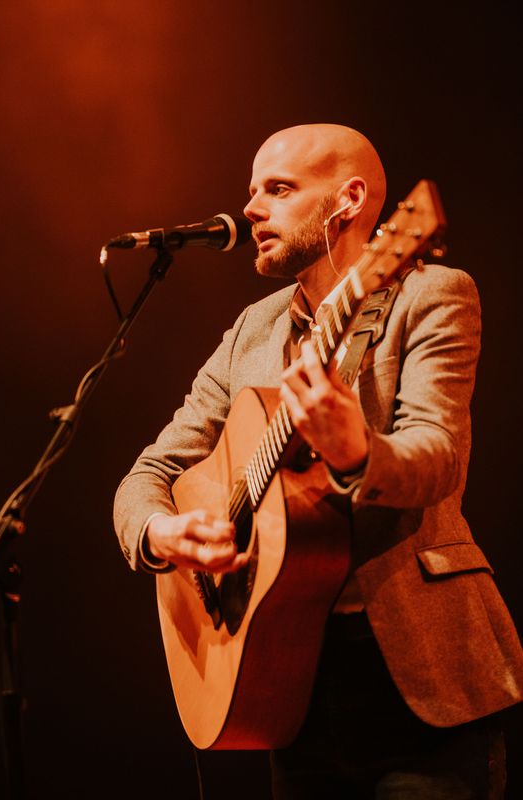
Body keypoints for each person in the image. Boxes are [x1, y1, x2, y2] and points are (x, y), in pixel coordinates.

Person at [113, 124, 523, 798]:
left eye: (277, 189)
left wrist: (354, 448)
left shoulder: (430, 294)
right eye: (251, 191)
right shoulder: (253, 329)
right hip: (285, 686)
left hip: (420, 688)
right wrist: (162, 533)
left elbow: (440, 459)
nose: (249, 210)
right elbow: (147, 475)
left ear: (349, 200)